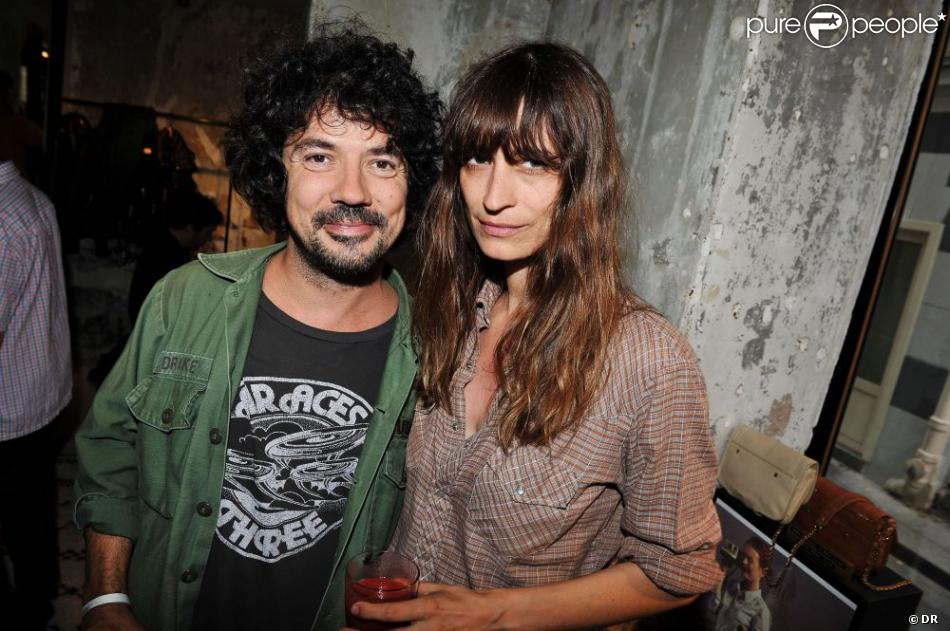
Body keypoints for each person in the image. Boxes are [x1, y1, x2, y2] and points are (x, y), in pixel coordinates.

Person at [73, 24, 441, 631]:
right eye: (319, 156)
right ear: (279, 169)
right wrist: (105, 597)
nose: (352, 191)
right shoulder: (183, 300)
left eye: (382, 161)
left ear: (412, 180)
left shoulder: (438, 350)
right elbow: (112, 452)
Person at [349, 42, 723, 630]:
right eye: (477, 160)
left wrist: (496, 615)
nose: (494, 196)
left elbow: (679, 571)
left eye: (532, 164)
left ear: (583, 179)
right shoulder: (446, 311)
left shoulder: (646, 360)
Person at [0, 158, 72, 630]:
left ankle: (29, 608)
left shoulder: (5, 219)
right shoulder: (29, 197)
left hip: (10, 405)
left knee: (22, 513)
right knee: (32, 508)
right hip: (38, 391)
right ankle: (40, 595)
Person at [127, 190, 223, 323]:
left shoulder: (162, 245)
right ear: (192, 227)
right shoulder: (168, 257)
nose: (208, 239)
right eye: (208, 232)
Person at [715, 538, 772, 631]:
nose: (744, 562)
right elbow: (713, 607)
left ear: (763, 572)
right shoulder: (731, 587)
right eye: (743, 557)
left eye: (750, 560)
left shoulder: (761, 611)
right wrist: (722, 571)